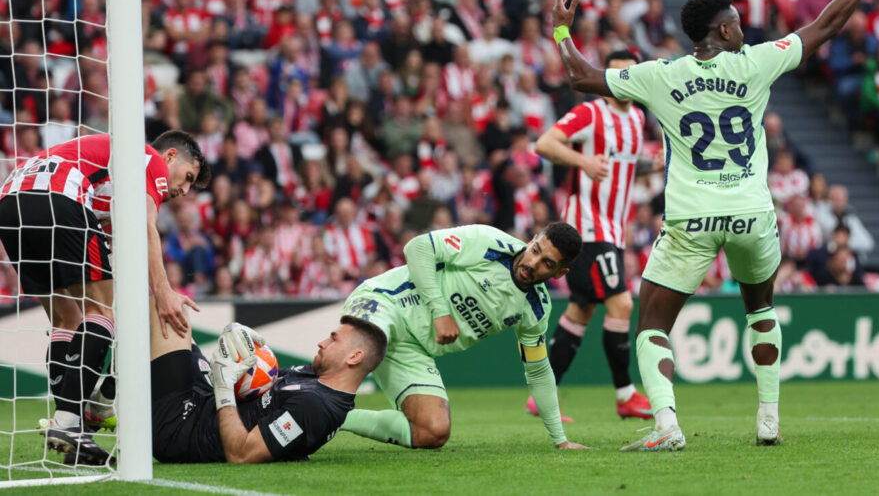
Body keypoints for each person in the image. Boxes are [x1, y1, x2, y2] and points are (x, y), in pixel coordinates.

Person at [549, 0, 879, 450]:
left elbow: (580, 76)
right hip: (752, 213)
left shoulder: (660, 75)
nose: (743, 28)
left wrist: (561, 32)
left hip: (692, 218)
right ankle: (768, 420)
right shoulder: (757, 63)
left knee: (651, 326)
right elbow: (827, 24)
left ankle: (667, 425)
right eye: (736, 21)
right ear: (725, 31)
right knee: (761, 310)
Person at [0, 130, 210, 463]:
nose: (184, 191)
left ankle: (74, 425)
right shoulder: (150, 160)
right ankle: (72, 421)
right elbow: (146, 227)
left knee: (66, 319)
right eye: (187, 178)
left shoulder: (112, 191)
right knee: (101, 311)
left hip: (11, 202)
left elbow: (120, 259)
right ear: (170, 156)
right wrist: (164, 292)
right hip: (59, 195)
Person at [338, 222, 588, 450]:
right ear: (532, 239)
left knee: (433, 431)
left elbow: (538, 371)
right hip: (384, 303)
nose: (533, 263)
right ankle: (319, 400)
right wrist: (440, 311)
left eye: (547, 263)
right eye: (536, 250)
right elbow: (417, 247)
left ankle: (336, 418)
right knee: (345, 363)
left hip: (413, 348)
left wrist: (560, 440)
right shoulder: (489, 243)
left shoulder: (536, 308)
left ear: (560, 273)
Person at [526, 49, 662, 420]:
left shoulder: (637, 118)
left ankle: (542, 397)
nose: (624, 82)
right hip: (587, 227)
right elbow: (545, 144)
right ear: (605, 78)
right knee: (622, 305)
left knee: (581, 311)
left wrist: (652, 166)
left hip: (613, 229)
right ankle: (625, 395)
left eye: (630, 75)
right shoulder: (591, 113)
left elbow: (623, 166)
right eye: (617, 75)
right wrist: (582, 160)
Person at [149, 301, 386, 463]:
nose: (322, 343)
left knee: (160, 306)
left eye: (333, 340)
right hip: (205, 398)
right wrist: (238, 343)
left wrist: (223, 387)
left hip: (182, 428)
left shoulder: (316, 407)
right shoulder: (316, 377)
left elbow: (241, 454)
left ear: (354, 357)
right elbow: (255, 381)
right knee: (172, 307)